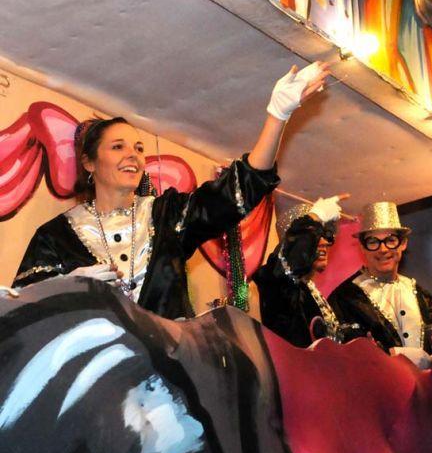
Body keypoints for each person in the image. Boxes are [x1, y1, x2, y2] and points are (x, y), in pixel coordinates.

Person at [11, 63, 328, 319]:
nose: (133, 155)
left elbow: (235, 193)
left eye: (138, 148)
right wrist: (72, 289)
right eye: (118, 147)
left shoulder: (168, 216)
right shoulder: (55, 237)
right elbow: (21, 313)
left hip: (170, 380)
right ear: (89, 162)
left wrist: (277, 117)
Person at [328, 201, 432, 369]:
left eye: (391, 240)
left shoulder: (422, 294)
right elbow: (349, 356)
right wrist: (397, 354)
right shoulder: (345, 298)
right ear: (362, 247)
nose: (383, 249)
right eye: (373, 242)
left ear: (403, 244)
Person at [255, 194, 359, 347]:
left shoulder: (308, 289)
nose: (324, 243)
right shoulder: (276, 282)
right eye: (315, 238)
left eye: (325, 235)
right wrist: (316, 216)